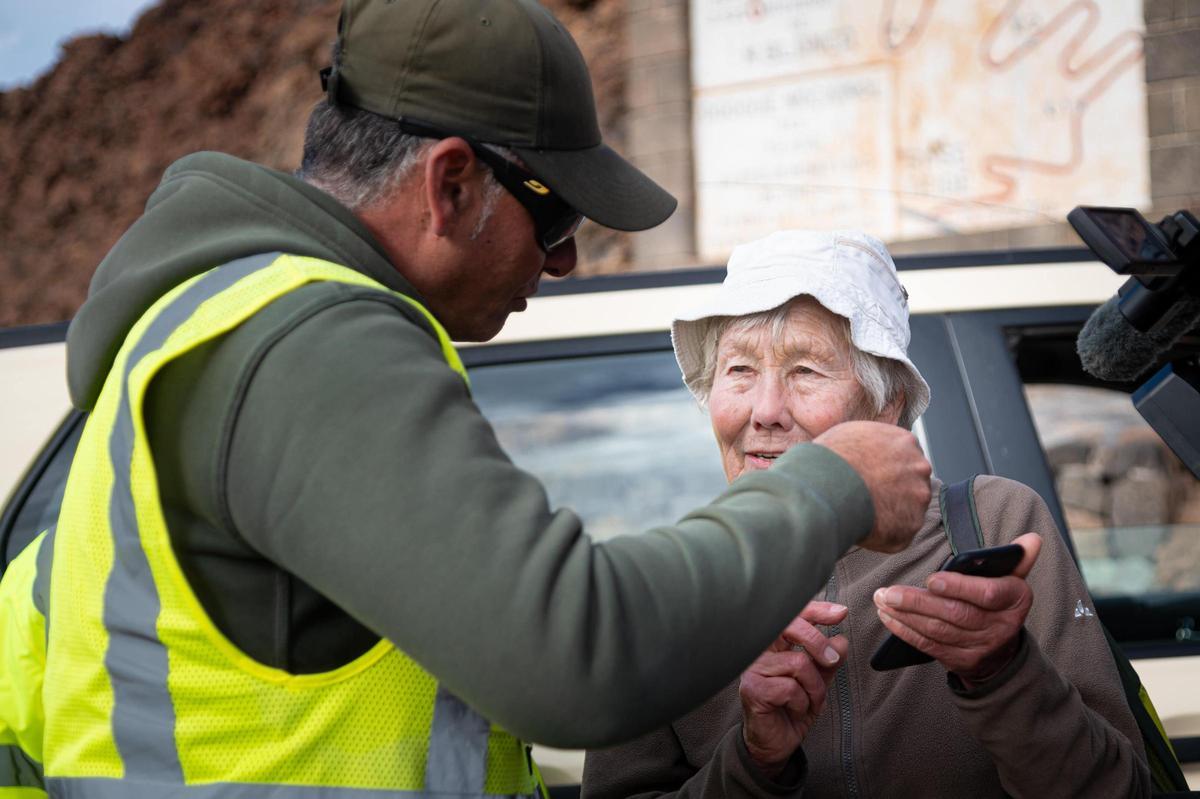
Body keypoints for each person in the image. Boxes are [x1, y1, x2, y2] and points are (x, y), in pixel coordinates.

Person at [0, 3, 934, 797]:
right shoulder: (308, 341)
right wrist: (829, 486)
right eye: (556, 215)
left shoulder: (222, 322)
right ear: (450, 183)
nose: (563, 260)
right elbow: (573, 654)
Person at [582, 230, 1151, 798]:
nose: (765, 411)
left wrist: (1002, 674)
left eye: (805, 370)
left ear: (887, 405)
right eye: (739, 370)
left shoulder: (994, 523)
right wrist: (754, 761)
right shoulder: (659, 591)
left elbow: (1118, 789)